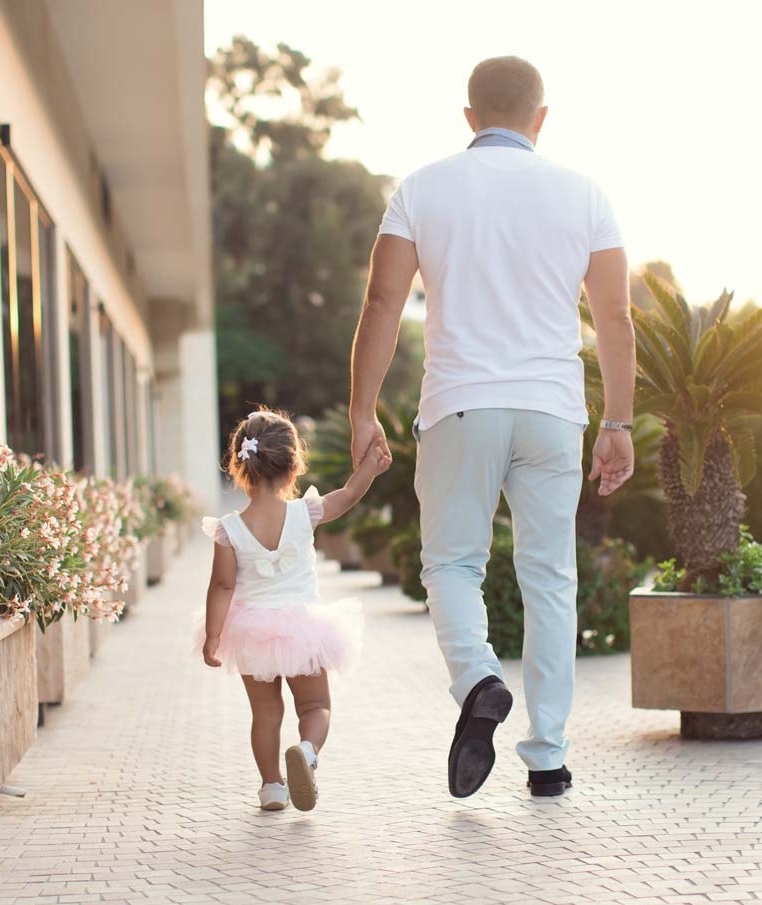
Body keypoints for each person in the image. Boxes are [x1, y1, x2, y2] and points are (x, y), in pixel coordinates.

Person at [346, 55, 637, 799]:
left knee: (451, 566)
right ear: (541, 118)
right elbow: (614, 317)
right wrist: (620, 422)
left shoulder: (422, 187)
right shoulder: (586, 195)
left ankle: (478, 677)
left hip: (460, 406)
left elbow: (381, 304)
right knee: (549, 579)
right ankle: (547, 758)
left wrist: (361, 411)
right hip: (551, 410)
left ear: (469, 118)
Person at [196, 409, 388, 811]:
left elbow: (222, 585)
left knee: (265, 713)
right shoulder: (307, 512)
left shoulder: (228, 529)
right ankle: (307, 751)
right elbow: (349, 496)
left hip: (251, 631)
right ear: (293, 466)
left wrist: (214, 635)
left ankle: (271, 787)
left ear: (239, 466)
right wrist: (370, 466)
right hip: (304, 628)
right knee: (316, 706)